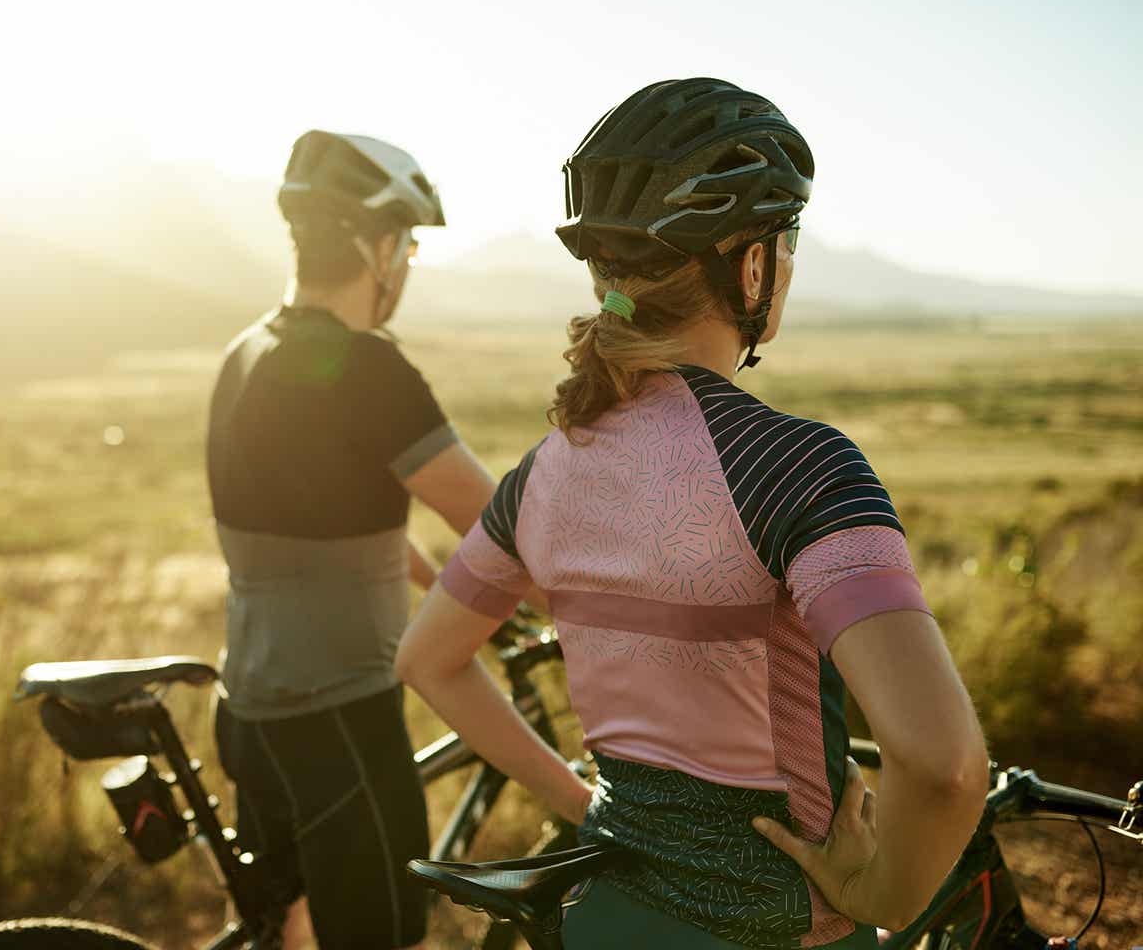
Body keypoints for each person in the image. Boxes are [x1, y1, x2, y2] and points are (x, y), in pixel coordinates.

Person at [396, 79, 991, 949]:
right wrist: (882, 897)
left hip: (598, 919)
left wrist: (583, 803)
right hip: (779, 930)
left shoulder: (544, 473)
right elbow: (944, 766)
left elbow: (428, 658)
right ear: (750, 265)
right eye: (783, 245)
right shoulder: (795, 465)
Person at [206, 129, 499, 950]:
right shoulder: (370, 371)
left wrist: (425, 576)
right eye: (405, 242)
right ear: (377, 246)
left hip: (250, 710)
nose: (404, 261)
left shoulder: (244, 352)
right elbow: (500, 528)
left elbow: (316, 514)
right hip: (340, 718)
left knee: (288, 932)